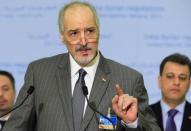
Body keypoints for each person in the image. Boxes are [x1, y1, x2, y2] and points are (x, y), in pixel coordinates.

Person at [3, 1, 160, 131]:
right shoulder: (39, 73)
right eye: (74, 33)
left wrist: (133, 123)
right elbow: (15, 127)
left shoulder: (129, 80)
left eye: (90, 31)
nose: (83, 41)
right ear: (62, 37)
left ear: (99, 31)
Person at [150, 53, 191, 131]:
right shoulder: (145, 115)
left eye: (182, 78)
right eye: (170, 76)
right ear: (159, 81)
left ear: (189, 83)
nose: (176, 82)